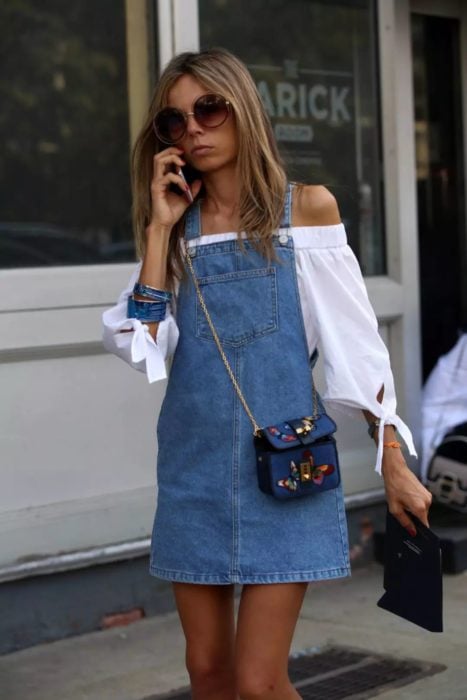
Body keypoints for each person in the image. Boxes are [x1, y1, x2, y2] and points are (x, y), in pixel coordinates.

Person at [102, 47, 432, 700]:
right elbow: (139, 344)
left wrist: (391, 455)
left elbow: (354, 347)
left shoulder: (305, 209)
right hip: (194, 472)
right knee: (207, 675)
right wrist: (157, 232)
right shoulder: (177, 230)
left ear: (241, 108)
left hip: (288, 474)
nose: (192, 128)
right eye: (174, 121)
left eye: (208, 108)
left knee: (256, 683)